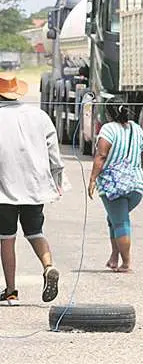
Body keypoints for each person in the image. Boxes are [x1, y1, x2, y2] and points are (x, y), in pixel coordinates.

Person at [0, 73, 62, 305]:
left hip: (4, 189)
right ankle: (48, 266)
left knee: (6, 238)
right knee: (35, 232)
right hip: (34, 186)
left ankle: (11, 291)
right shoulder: (39, 116)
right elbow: (53, 152)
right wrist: (57, 180)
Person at [87, 98, 143, 273]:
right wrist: (137, 169)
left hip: (114, 186)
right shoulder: (137, 129)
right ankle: (114, 257)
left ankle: (126, 263)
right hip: (136, 185)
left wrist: (92, 179)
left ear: (108, 113)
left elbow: (101, 155)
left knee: (121, 221)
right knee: (114, 218)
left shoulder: (108, 129)